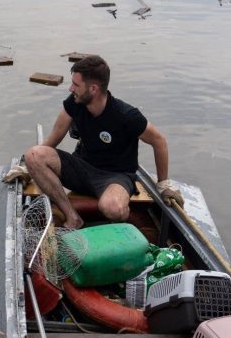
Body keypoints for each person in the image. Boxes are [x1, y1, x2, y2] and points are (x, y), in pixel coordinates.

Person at [18, 55, 183, 229]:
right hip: (81, 168)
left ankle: (130, 227)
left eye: (76, 85)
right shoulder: (74, 104)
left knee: (113, 209)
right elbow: (51, 141)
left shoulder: (126, 115)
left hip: (115, 176)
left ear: (93, 89)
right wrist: (28, 168)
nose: (70, 88)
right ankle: (72, 217)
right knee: (34, 154)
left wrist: (163, 184)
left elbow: (159, 141)